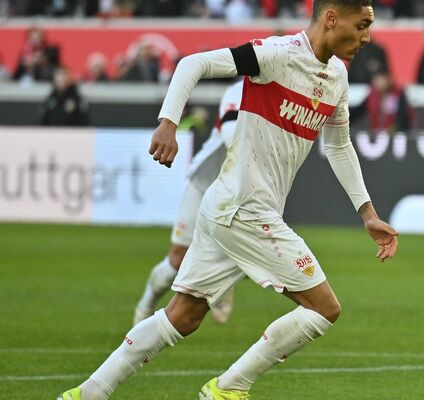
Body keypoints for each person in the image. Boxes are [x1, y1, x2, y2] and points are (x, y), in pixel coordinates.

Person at [57, 1, 399, 399]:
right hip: (243, 210)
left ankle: (89, 393)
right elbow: (191, 64)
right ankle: (229, 388)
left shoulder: (337, 75)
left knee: (183, 316)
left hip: (229, 207)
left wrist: (367, 213)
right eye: (362, 25)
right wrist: (168, 123)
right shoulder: (276, 55)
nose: (367, 37)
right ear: (331, 18)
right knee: (324, 308)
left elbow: (339, 147)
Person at [132, 80, 244, 327]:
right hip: (204, 182)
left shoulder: (287, 97)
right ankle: (146, 302)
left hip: (241, 190)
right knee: (177, 260)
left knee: (257, 252)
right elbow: (235, 144)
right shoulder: (240, 90)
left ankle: (224, 276)